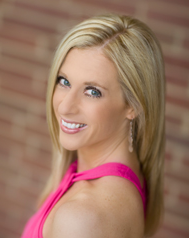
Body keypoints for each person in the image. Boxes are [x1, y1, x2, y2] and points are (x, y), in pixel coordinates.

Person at [21, 14, 165, 238]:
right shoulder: (128, 173)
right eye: (64, 81)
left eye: (92, 91)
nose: (65, 107)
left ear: (133, 106)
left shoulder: (80, 219)